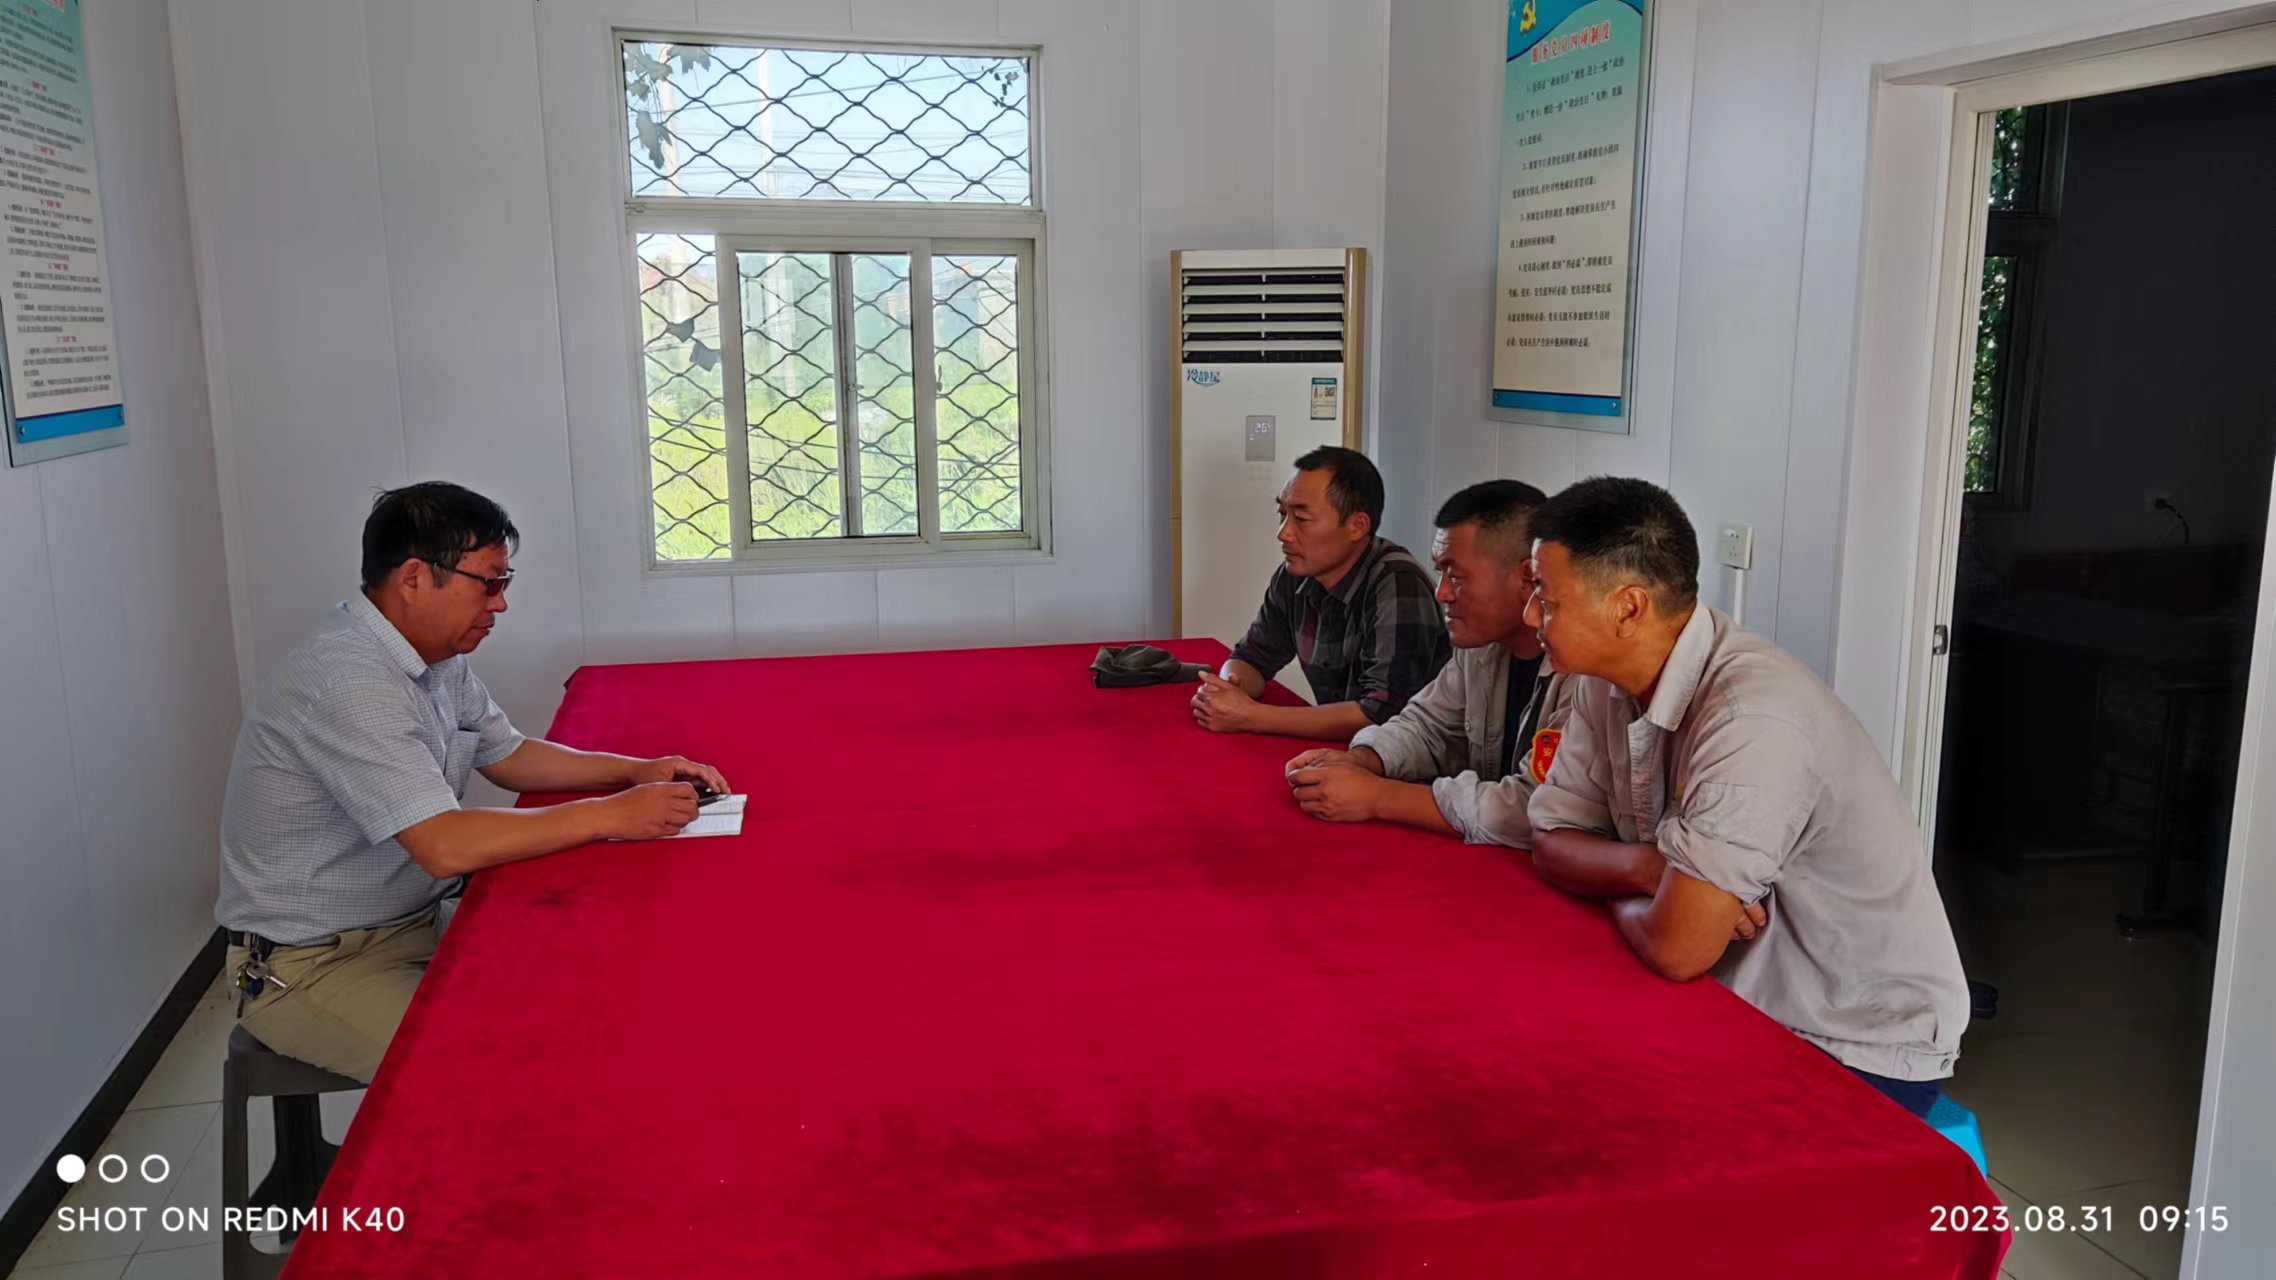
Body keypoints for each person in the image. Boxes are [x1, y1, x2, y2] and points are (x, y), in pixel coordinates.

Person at [216, 482, 729, 1082]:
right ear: (413, 578)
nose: (500, 604)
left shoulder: (433, 658)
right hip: (314, 965)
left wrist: (633, 770)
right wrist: (610, 815)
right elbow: (444, 845)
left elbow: (507, 753)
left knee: (603, 982)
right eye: (488, 583)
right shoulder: (349, 682)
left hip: (418, 922)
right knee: (508, 1069)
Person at [1522, 476, 1969, 1117]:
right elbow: (1549, 841)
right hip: (1728, 991)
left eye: (1546, 598)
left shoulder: (1752, 716)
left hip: (1845, 1035)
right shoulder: (1605, 679)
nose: (1531, 616)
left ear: (1628, 608)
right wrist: (1650, 871)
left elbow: (1678, 948)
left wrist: (1633, 890)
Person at [1283, 479, 1576, 846]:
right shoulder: (1480, 647)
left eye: (1456, 575)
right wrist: (1363, 759)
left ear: (1527, 577)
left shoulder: (1583, 669)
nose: (1442, 593)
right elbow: (1425, 726)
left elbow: (1537, 809)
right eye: (1441, 572)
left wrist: (1380, 797)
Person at [1193, 446, 1449, 741]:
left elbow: (1382, 714)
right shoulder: (1295, 575)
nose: (1283, 533)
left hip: (1406, 757)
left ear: (1357, 526)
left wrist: (1250, 716)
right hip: (1343, 752)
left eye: (1301, 519)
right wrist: (1229, 688)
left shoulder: (1398, 582)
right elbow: (1251, 658)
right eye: (1282, 514)